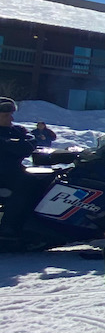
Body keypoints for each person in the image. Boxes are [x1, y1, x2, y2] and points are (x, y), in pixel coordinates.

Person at [0, 98, 39, 238]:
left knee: (41, 181)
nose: (10, 118)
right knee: (25, 185)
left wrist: (8, 144)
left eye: (10, 114)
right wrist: (12, 145)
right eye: (5, 116)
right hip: (4, 175)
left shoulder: (17, 130)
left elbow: (30, 143)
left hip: (15, 171)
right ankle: (7, 227)